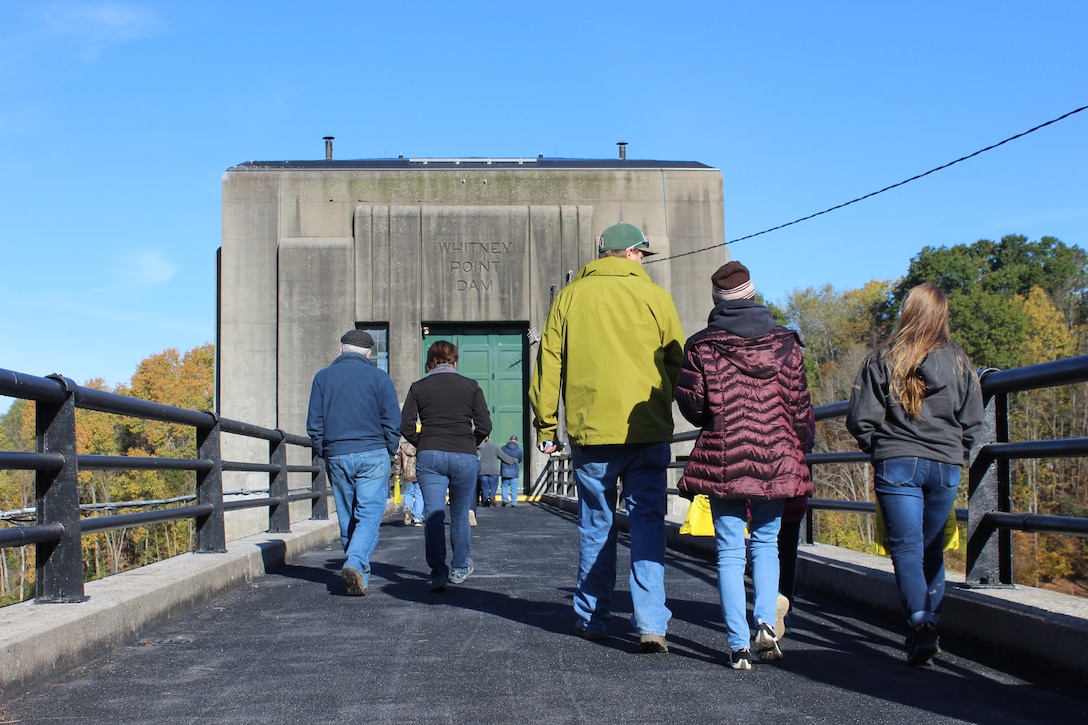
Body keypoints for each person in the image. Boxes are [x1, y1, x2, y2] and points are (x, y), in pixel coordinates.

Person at [529, 221, 684, 653]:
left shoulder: (570, 298)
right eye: (642, 254)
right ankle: (652, 621)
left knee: (597, 521)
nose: (643, 261)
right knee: (648, 521)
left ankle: (592, 616)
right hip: (646, 429)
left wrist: (546, 426)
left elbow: (549, 366)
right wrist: (662, 404)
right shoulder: (655, 297)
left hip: (591, 430)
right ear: (632, 253)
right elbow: (677, 360)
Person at [673, 261, 814, 670]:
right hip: (776, 454)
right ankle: (766, 622)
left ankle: (737, 645)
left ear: (717, 300)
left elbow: (695, 407)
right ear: (752, 295)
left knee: (730, 553)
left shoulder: (702, 346)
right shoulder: (786, 343)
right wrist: (796, 449)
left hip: (725, 458)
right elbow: (799, 405)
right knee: (767, 544)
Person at [846, 282, 983, 666]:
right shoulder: (959, 362)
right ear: (942, 315)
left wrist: (879, 449)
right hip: (944, 464)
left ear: (908, 311)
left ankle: (921, 623)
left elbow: (861, 419)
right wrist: (958, 450)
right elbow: (973, 420)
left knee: (905, 549)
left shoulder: (882, 358)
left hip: (897, 463)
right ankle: (931, 622)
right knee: (931, 547)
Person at [306, 329, 401, 597]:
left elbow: (314, 423)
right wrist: (389, 449)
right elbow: (392, 420)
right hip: (372, 451)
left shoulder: (322, 378)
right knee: (369, 515)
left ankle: (360, 573)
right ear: (369, 354)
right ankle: (355, 562)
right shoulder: (379, 378)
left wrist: (324, 449)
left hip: (337, 452)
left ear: (341, 350)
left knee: (347, 516)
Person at [401, 340, 492, 592]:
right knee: (460, 515)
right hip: (463, 453)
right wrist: (468, 443)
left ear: (431, 361)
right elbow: (484, 426)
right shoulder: (471, 387)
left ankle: (438, 573)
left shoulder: (418, 387)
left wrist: (424, 443)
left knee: (433, 514)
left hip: (430, 455)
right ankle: (460, 568)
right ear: (455, 361)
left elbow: (406, 426)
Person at [397, 439, 423, 527]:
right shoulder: (420, 444)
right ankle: (418, 518)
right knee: (419, 495)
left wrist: (397, 473)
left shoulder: (403, 446)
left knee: (408, 493)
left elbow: (398, 461)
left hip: (407, 475)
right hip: (419, 474)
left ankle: (408, 508)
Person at [476, 436, 507, 508]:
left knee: (484, 487)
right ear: (489, 438)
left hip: (482, 470)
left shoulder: (478, 448)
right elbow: (503, 456)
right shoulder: (494, 447)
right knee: (493, 485)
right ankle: (492, 495)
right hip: (493, 470)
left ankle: (485, 500)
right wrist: (513, 460)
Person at [499, 435, 523, 506]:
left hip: (505, 471)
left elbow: (500, 456)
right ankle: (513, 502)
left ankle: (505, 499)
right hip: (514, 471)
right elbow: (520, 460)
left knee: (504, 486)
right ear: (516, 441)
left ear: (509, 440)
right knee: (514, 487)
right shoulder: (519, 450)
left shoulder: (503, 448)